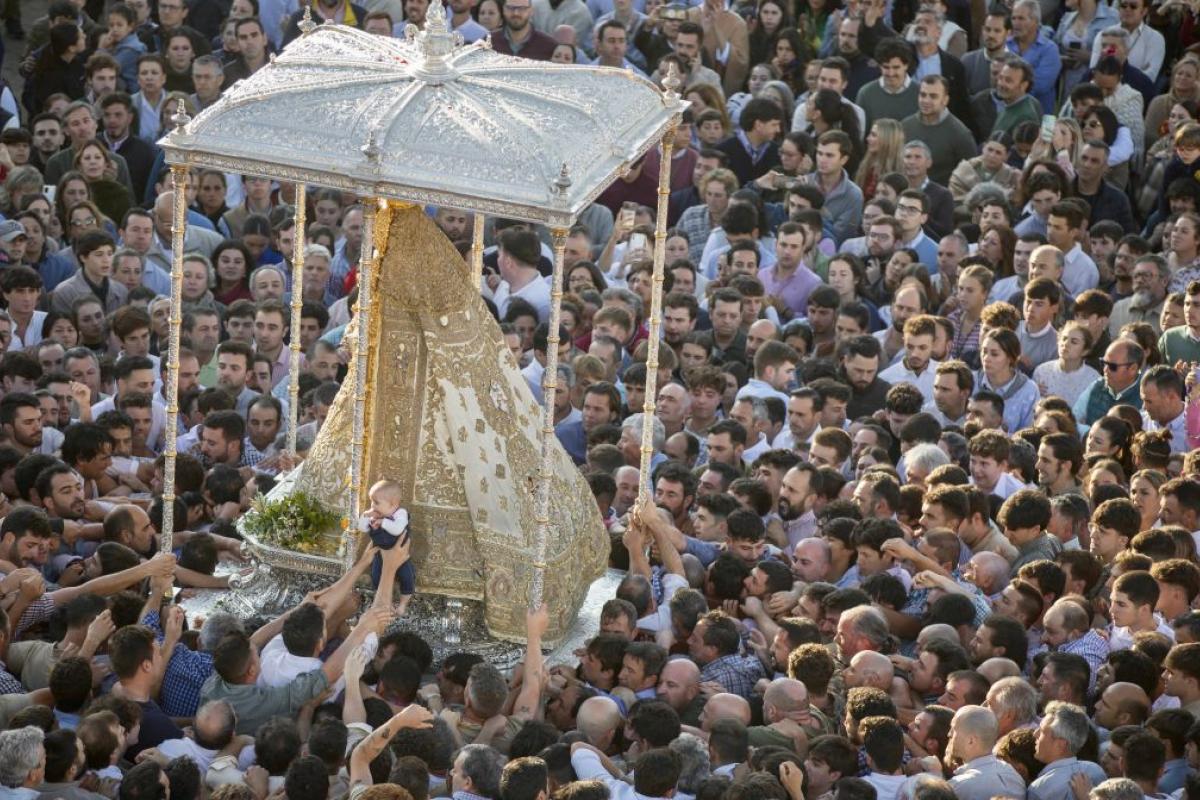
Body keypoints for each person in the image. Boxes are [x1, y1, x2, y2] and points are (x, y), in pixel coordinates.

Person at [357, 479, 416, 616]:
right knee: (376, 578)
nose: (372, 505)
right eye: (371, 501)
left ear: (393, 504)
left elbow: (397, 530)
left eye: (376, 502)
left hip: (400, 555)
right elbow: (362, 528)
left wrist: (382, 522)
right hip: (380, 554)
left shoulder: (400, 514)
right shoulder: (375, 514)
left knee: (407, 578)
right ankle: (385, 603)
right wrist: (366, 516)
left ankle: (402, 604)